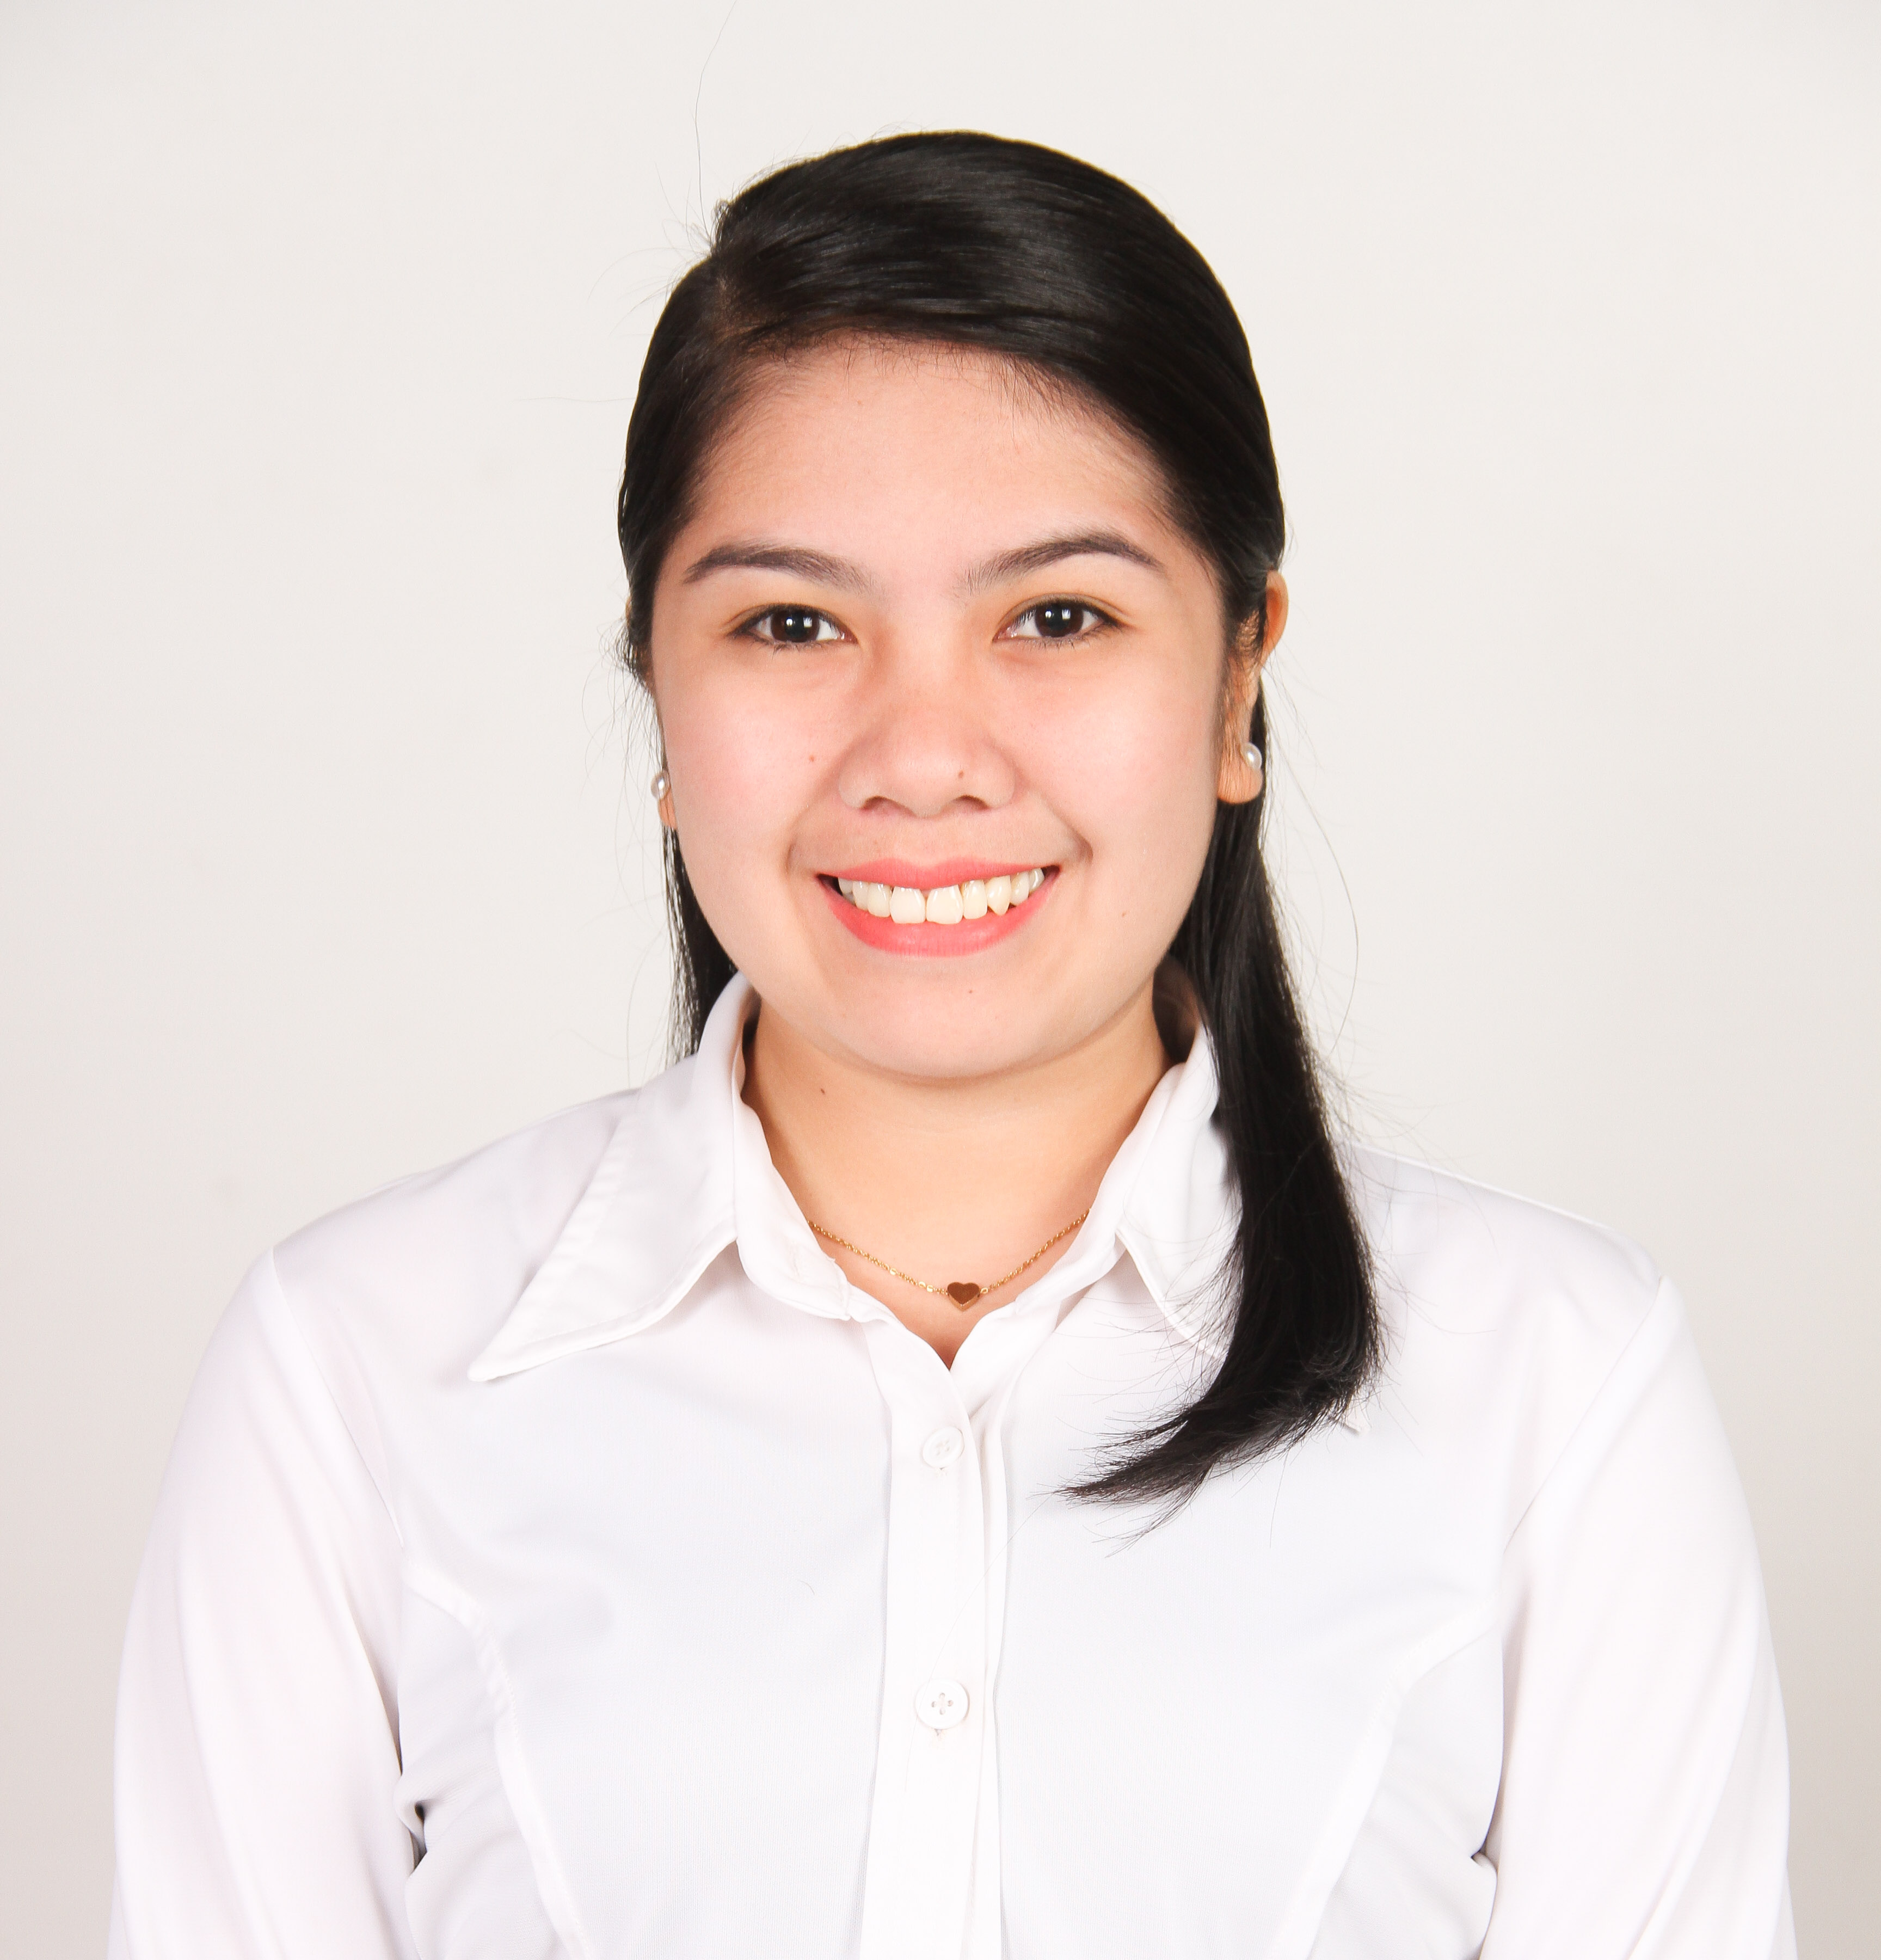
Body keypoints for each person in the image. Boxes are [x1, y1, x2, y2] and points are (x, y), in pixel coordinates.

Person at [107, 133, 1795, 1959]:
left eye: (1058, 616)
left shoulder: (1552, 1381)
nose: (924, 757)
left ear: (1238, 677)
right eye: (793, 622)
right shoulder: (357, 1368)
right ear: (658, 688)